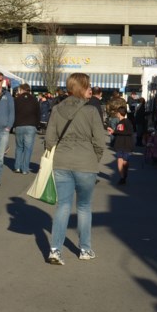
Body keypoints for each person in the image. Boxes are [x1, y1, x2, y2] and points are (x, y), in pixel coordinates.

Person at [44, 72, 108, 265]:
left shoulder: (56, 109)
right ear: (82, 87)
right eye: (87, 85)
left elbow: (49, 140)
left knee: (62, 206)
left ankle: (55, 250)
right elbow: (100, 141)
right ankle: (85, 249)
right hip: (85, 163)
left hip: (62, 162)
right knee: (84, 207)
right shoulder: (91, 111)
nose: (90, 88)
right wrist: (94, 159)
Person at [12, 83, 40, 174]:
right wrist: (37, 125)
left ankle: (17, 167)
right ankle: (25, 169)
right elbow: (38, 113)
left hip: (19, 125)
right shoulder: (34, 100)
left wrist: (14, 125)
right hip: (31, 126)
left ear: (22, 90)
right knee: (28, 148)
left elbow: (13, 113)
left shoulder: (16, 100)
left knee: (19, 147)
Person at [110, 105, 135, 185]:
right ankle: (122, 177)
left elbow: (129, 132)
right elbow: (119, 133)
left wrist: (115, 132)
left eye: (117, 112)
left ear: (119, 113)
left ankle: (124, 175)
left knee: (124, 162)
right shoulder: (120, 122)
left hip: (126, 144)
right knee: (120, 160)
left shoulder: (127, 121)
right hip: (120, 144)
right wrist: (113, 132)